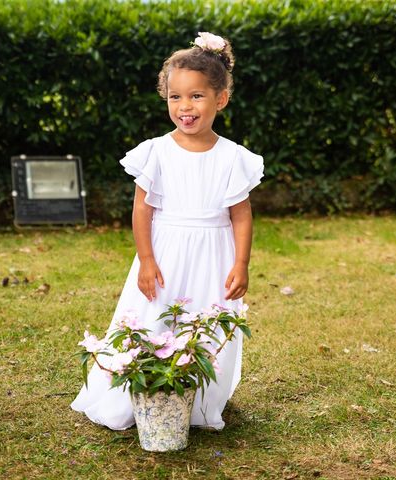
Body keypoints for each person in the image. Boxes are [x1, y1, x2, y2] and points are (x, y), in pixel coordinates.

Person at [71, 32, 264, 430]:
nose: (184, 106)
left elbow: (241, 214)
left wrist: (241, 263)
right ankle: (137, 394)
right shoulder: (156, 152)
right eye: (175, 97)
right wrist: (146, 259)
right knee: (154, 317)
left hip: (214, 253)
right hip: (165, 252)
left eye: (196, 96)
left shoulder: (233, 158)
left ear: (220, 99)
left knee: (205, 323)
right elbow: (143, 210)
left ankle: (199, 400)